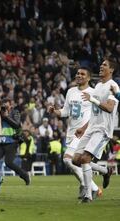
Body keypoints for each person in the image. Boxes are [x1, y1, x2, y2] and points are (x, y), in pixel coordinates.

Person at [48, 67, 101, 199]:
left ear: (88, 78)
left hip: (84, 132)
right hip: (71, 132)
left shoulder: (93, 93)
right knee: (77, 162)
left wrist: (84, 128)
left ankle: (91, 188)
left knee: (67, 159)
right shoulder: (71, 91)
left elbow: (96, 116)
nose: (79, 75)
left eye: (83, 74)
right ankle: (94, 182)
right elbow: (66, 111)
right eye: (77, 73)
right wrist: (55, 111)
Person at [73, 59, 118, 203]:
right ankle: (106, 171)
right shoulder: (98, 85)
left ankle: (88, 195)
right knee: (75, 160)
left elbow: (110, 108)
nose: (101, 66)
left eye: (105, 65)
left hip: (103, 129)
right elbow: (94, 112)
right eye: (101, 64)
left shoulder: (113, 86)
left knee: (85, 159)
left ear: (111, 70)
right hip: (92, 127)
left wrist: (93, 99)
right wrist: (84, 128)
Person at [0, 98, 31, 185]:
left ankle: (25, 175)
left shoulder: (15, 112)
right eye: (3, 104)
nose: (5, 106)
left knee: (9, 163)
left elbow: (17, 125)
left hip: (12, 141)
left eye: (6, 104)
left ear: (10, 105)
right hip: (0, 141)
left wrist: (6, 117)